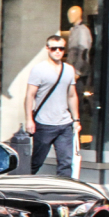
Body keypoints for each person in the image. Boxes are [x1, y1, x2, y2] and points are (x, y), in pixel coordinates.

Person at [25, 35, 79, 177]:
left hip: (64, 123)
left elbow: (72, 95)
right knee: (36, 161)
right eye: (54, 48)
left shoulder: (69, 69)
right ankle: (23, 185)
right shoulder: (39, 69)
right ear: (47, 48)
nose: (57, 51)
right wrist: (29, 120)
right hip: (44, 123)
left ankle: (64, 194)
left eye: (61, 48)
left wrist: (76, 120)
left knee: (66, 162)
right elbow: (30, 95)